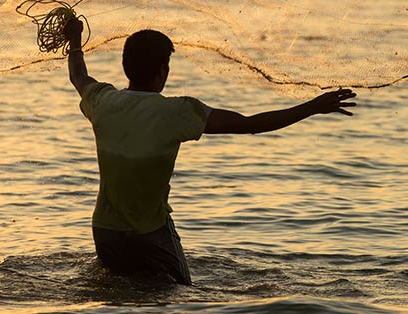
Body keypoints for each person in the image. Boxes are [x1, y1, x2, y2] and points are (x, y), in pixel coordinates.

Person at [63, 17, 356, 284]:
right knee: (180, 292)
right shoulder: (178, 111)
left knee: (118, 291)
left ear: (126, 66)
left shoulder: (102, 102)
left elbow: (78, 75)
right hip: (149, 234)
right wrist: (313, 107)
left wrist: (75, 40)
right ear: (162, 71)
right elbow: (250, 124)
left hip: (105, 233)